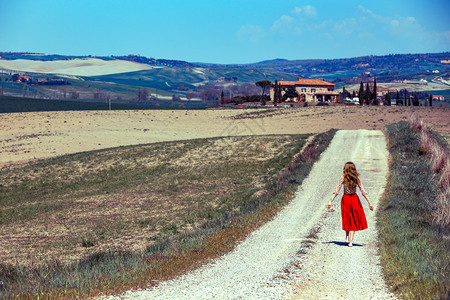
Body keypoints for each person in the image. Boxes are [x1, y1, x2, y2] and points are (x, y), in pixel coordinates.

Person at [327, 162, 374, 247]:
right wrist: (369, 202)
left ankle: (347, 237)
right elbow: (363, 191)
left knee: (347, 217)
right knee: (352, 218)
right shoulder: (356, 178)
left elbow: (337, 190)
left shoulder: (343, 178)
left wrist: (331, 200)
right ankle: (350, 241)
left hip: (346, 199)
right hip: (354, 199)